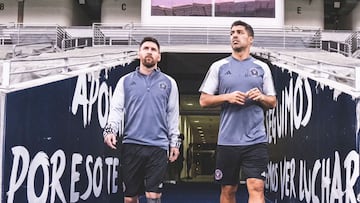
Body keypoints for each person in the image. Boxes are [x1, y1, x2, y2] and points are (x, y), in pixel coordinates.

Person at [198, 20, 277, 203]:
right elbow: (203, 100)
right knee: (228, 190)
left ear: (250, 39)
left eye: (240, 32)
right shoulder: (218, 67)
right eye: (232, 32)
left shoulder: (262, 68)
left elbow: (273, 102)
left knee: (256, 187)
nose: (234, 35)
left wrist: (262, 97)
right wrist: (227, 97)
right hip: (228, 141)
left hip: (256, 140)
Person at [103, 36, 181, 203]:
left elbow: (172, 114)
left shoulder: (169, 83)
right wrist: (111, 130)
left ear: (159, 57)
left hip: (158, 146)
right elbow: (116, 109)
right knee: (130, 198)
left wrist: (174, 142)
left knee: (154, 197)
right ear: (139, 53)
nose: (149, 52)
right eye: (146, 48)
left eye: (153, 50)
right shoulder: (125, 81)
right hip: (132, 145)